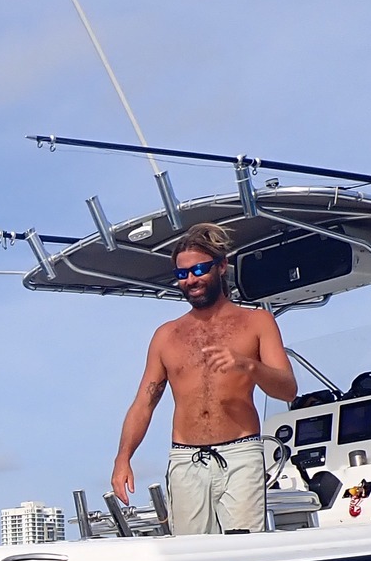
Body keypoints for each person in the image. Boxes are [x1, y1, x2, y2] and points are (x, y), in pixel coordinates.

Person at [111, 221, 297, 535]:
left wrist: (248, 366)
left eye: (199, 270)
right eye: (182, 275)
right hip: (186, 461)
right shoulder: (166, 335)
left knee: (245, 554)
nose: (192, 280)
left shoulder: (257, 322)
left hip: (241, 454)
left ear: (221, 266)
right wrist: (123, 458)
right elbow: (145, 401)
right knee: (191, 557)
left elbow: (288, 389)